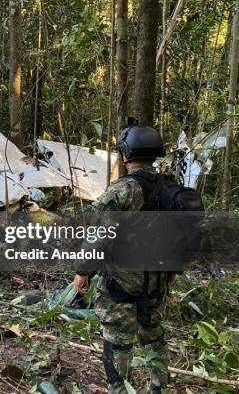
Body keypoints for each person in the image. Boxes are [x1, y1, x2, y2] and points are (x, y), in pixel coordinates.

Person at [74, 120, 170, 394]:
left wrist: (83, 271)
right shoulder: (168, 186)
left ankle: (119, 389)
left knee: (117, 340)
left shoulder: (124, 190)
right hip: (157, 279)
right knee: (153, 335)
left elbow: (99, 237)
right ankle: (158, 387)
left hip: (122, 281)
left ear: (126, 155)